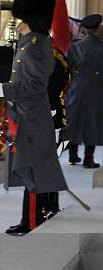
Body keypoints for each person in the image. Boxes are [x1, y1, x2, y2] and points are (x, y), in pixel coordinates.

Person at [0, 0, 68, 236]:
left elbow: (35, 84)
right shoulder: (30, 43)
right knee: (37, 168)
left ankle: (31, 221)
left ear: (31, 21)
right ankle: (37, 215)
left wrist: (6, 90)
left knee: (33, 170)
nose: (17, 23)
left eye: (21, 19)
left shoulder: (35, 44)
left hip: (32, 114)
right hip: (28, 112)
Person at [65, 14, 103, 168]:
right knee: (93, 121)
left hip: (77, 86)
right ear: (97, 29)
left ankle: (72, 155)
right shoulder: (101, 47)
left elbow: (68, 65)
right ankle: (89, 158)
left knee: (74, 120)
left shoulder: (74, 46)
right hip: (96, 87)